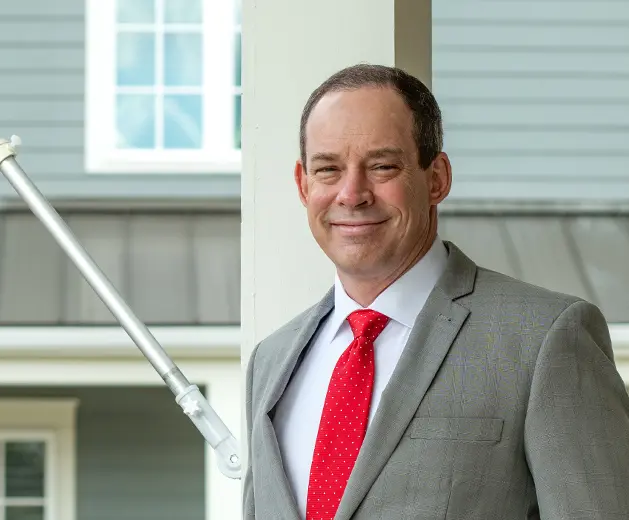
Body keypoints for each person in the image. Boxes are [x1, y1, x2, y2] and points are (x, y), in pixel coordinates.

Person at [242, 64, 629, 520]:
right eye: (327, 169)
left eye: (382, 166)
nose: (352, 193)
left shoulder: (546, 339)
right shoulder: (271, 361)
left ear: (437, 178)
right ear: (302, 185)